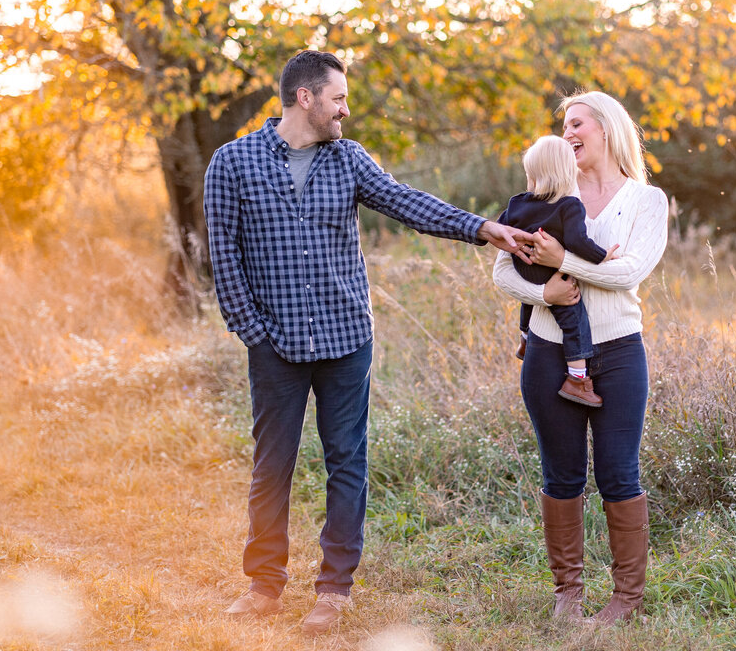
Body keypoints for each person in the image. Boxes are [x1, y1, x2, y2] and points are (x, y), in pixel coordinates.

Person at [204, 49, 532, 636]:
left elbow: (409, 203)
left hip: (345, 336)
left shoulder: (349, 160)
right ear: (305, 98)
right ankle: (264, 586)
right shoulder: (233, 162)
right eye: (338, 99)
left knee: (346, 462)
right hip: (273, 343)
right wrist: (251, 331)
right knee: (271, 464)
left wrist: (483, 230)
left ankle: (333, 590)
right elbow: (222, 255)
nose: (345, 111)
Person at [492, 91, 668, 624]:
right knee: (561, 472)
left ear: (607, 129)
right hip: (547, 351)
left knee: (618, 473)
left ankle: (626, 600)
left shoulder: (645, 200)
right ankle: (567, 592)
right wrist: (545, 294)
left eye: (577, 124)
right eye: (562, 127)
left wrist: (560, 259)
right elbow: (502, 274)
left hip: (618, 353)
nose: (567, 133)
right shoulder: (542, 196)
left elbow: (628, 272)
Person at [497, 135, 620, 407]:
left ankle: (525, 338)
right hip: (549, 272)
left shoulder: (517, 202)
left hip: (524, 266)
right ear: (568, 172)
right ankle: (577, 380)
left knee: (531, 297)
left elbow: (500, 228)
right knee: (573, 319)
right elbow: (578, 241)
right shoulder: (569, 205)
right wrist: (602, 256)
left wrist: (518, 241)